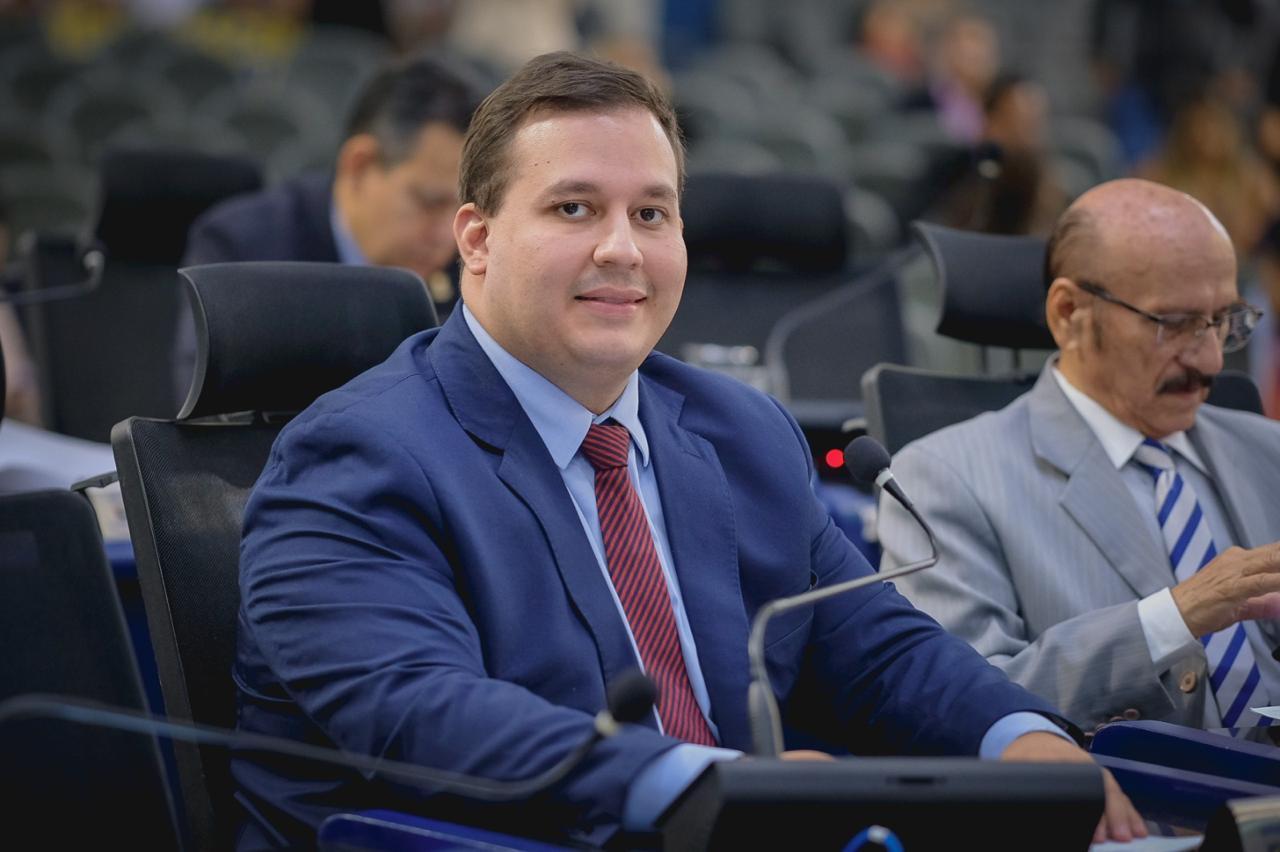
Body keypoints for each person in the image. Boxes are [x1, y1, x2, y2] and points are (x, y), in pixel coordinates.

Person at [235, 52, 1142, 848]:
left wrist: (1024, 740)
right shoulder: (355, 455)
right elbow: (426, 719)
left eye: (653, 213)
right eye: (575, 207)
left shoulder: (736, 429)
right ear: (476, 239)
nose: (622, 249)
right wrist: (710, 785)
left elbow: (875, 649)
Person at [881, 178, 1280, 737]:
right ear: (1069, 313)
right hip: (1126, 813)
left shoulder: (1268, 451)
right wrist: (1172, 618)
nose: (1212, 359)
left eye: (1223, 320)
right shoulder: (944, 479)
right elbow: (957, 706)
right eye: (1176, 324)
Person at [171, 51, 483, 403]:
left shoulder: (469, 269)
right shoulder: (243, 248)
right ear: (360, 165)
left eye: (463, 210)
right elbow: (213, 422)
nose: (448, 236)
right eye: (429, 202)